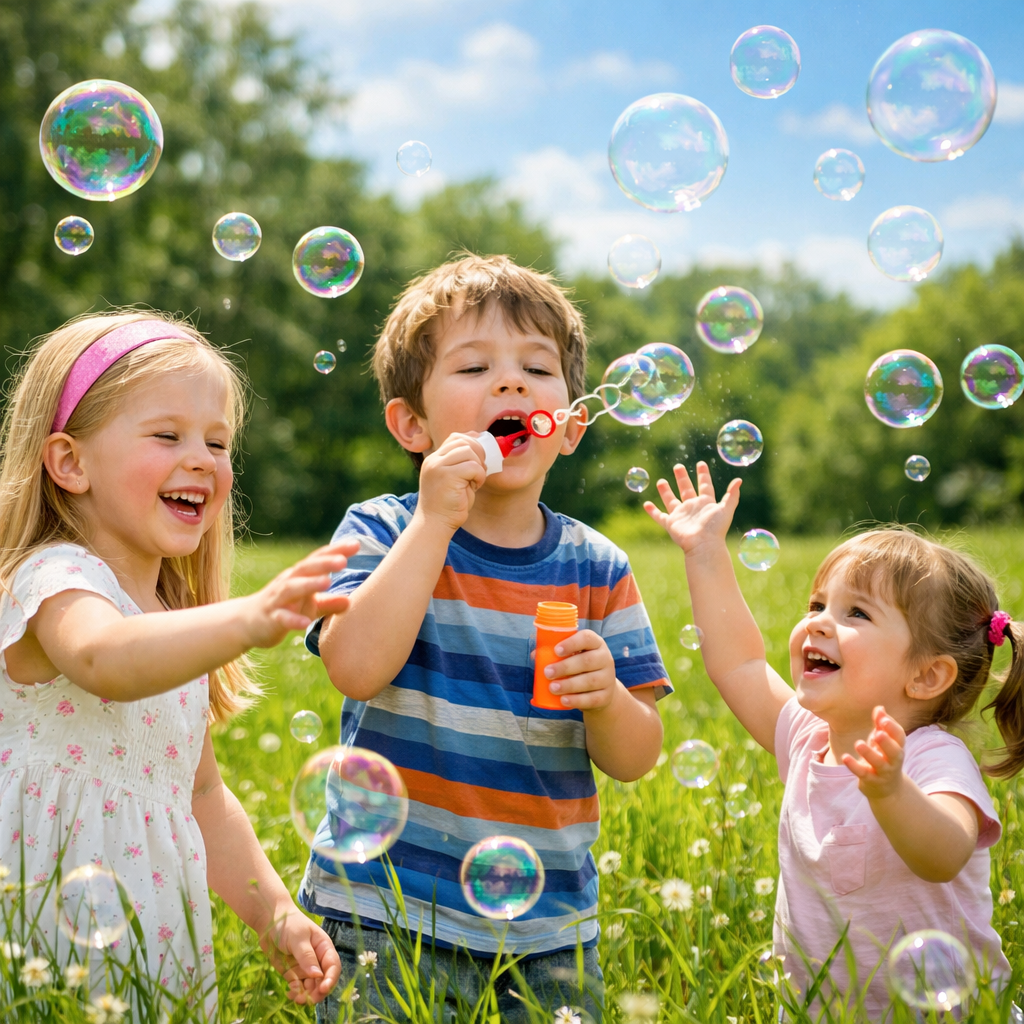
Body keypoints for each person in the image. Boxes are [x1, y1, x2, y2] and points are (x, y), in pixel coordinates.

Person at [301, 255, 671, 1023]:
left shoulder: (598, 568)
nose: (511, 385)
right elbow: (355, 667)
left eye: (536, 368)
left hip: (548, 931)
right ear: (412, 425)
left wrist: (607, 698)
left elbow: (635, 757)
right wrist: (435, 521)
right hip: (383, 911)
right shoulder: (384, 531)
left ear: (569, 426)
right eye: (475, 367)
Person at [0, 312, 354, 1016]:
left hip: (148, 928)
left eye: (217, 442)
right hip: (40, 907)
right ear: (70, 463)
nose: (202, 459)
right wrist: (247, 619)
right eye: (168, 436)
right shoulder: (56, 578)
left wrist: (276, 913)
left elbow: (203, 796)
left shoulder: (172, 620)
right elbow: (103, 657)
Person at [645, 461, 1018, 1018]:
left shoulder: (931, 757)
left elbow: (945, 854)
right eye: (817, 605)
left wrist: (891, 791)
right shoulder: (806, 735)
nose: (818, 622)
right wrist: (704, 553)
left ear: (926, 676)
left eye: (856, 613)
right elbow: (740, 663)